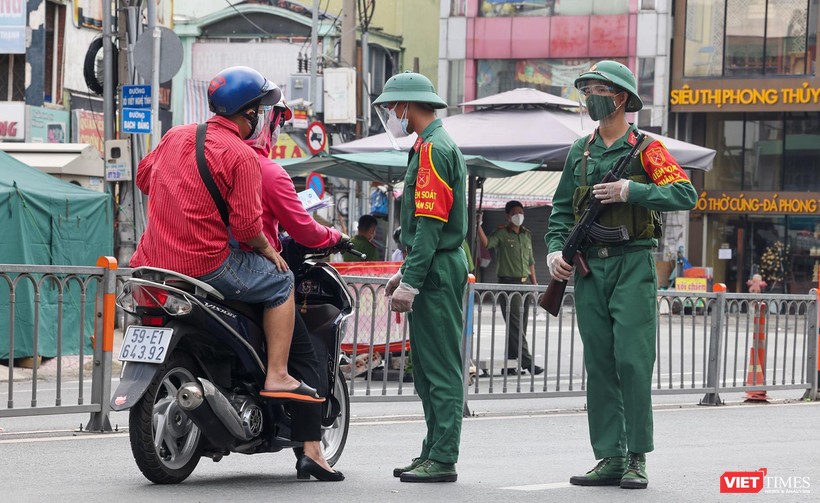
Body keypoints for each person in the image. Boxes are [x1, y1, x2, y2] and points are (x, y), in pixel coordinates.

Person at [545, 61, 698, 490]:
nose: (589, 95)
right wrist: (555, 251)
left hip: (632, 263)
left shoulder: (646, 148)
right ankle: (609, 456)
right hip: (590, 269)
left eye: (596, 88)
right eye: (587, 88)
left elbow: (684, 193)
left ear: (620, 98)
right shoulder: (582, 150)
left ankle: (636, 457)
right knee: (600, 364)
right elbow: (560, 211)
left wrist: (633, 190)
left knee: (632, 361)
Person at [131, 66, 322, 403]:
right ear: (249, 112)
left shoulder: (175, 135)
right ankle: (277, 375)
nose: (262, 118)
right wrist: (269, 251)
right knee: (282, 281)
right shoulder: (242, 156)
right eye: (261, 110)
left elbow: (144, 179)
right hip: (206, 265)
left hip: (151, 262)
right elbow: (248, 228)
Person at [374, 71, 468, 483]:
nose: (392, 115)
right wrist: (405, 272)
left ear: (407, 106)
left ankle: (443, 455)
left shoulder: (433, 150)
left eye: (393, 108)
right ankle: (433, 449)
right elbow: (425, 229)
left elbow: (430, 224)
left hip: (437, 267)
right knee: (428, 367)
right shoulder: (430, 146)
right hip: (431, 262)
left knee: (441, 367)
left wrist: (411, 281)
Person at [245, 96, 344, 481]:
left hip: (195, 267)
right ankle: (312, 449)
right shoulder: (267, 171)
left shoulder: (208, 157)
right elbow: (303, 230)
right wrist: (335, 235)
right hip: (248, 271)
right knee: (306, 357)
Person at [477, 200, 542, 375]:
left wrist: (534, 284)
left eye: (521, 211)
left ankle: (511, 365)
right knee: (515, 326)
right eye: (514, 212)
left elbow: (531, 261)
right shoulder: (502, 233)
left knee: (520, 326)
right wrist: (478, 226)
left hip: (525, 285)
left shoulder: (526, 234)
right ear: (508, 216)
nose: (518, 215)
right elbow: (487, 244)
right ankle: (527, 363)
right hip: (508, 284)